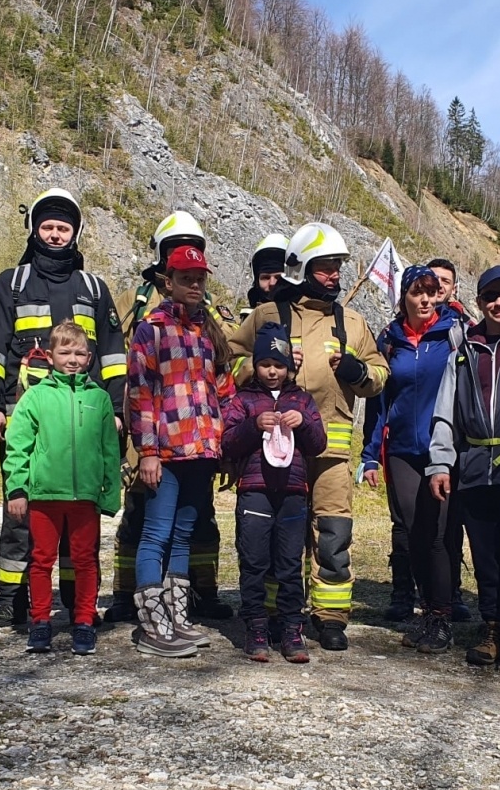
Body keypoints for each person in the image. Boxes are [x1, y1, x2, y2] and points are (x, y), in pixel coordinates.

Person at [229, 222, 390, 651]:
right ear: (300, 268)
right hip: (276, 451)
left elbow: (380, 375)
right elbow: (228, 360)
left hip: (331, 454)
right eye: (325, 267)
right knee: (278, 534)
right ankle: (273, 615)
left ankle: (330, 616)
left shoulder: (353, 322)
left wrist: (358, 371)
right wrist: (256, 365)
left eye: (338, 266)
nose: (335, 275)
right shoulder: (265, 315)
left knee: (333, 533)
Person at [0, 188, 126, 631]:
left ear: (75, 234)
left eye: (64, 228)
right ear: (35, 230)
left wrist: (115, 411)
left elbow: (114, 356)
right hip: (27, 419)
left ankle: (79, 604)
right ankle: (12, 600)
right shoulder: (11, 284)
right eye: (48, 227)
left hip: (82, 425)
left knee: (77, 516)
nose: (56, 235)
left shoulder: (93, 288)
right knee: (21, 510)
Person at [103, 212, 234, 625]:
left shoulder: (209, 328)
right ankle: (149, 617)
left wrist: (225, 446)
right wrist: (147, 452)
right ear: (167, 279)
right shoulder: (149, 326)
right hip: (162, 451)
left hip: (202, 451)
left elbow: (223, 390)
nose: (195, 285)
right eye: (185, 277)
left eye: (201, 277)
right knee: (152, 531)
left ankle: (177, 617)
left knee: (183, 533)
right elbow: (139, 394)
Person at [428, 265, 500, 669]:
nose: (498, 303)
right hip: (475, 468)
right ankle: (493, 627)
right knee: (485, 555)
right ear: (478, 302)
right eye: (489, 296)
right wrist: (440, 463)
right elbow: (445, 412)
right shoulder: (464, 350)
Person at [0, 321, 121, 656]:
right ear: (50, 356)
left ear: (89, 356)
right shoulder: (35, 397)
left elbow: (110, 451)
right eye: (65, 352)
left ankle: (83, 621)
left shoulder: (99, 398)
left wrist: (109, 494)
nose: (72, 359)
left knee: (85, 561)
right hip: (44, 496)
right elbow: (18, 446)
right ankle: (40, 622)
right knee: (41, 560)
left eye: (80, 352)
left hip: (85, 498)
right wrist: (17, 490)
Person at [362, 266, 464, 654]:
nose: (425, 300)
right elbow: (379, 402)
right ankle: (429, 611)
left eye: (431, 292)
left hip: (445, 450)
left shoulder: (454, 334)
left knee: (437, 535)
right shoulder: (390, 340)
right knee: (413, 533)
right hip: (403, 450)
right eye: (417, 293)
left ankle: (441, 615)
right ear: (403, 297)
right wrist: (370, 455)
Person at [220, 322, 327, 663]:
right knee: (253, 562)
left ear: (288, 368)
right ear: (256, 364)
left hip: (294, 492)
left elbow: (318, 444)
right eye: (265, 364)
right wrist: (253, 425)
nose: (271, 371)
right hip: (254, 491)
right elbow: (227, 442)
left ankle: (292, 630)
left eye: (279, 365)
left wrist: (305, 423)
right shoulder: (244, 400)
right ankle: (256, 628)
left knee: (289, 564)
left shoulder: (302, 400)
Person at [425, 256, 473, 621]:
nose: (438, 286)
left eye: (445, 280)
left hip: (455, 443)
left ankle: (449, 593)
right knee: (409, 525)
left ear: (454, 287)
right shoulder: (396, 331)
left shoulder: (464, 329)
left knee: (448, 525)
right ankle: (406, 591)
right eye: (432, 279)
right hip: (412, 441)